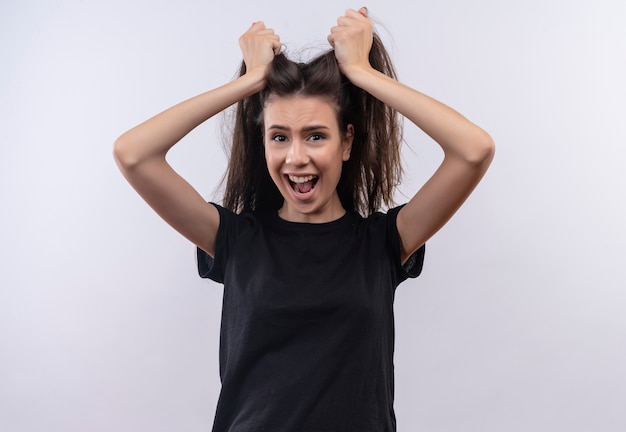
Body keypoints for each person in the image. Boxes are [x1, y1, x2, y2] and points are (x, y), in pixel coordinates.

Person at [113, 7, 494, 432]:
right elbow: (133, 154)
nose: (296, 157)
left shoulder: (383, 242)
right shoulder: (235, 240)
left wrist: (362, 73)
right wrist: (247, 83)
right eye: (279, 137)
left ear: (346, 142)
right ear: (263, 144)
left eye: (316, 135)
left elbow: (473, 150)